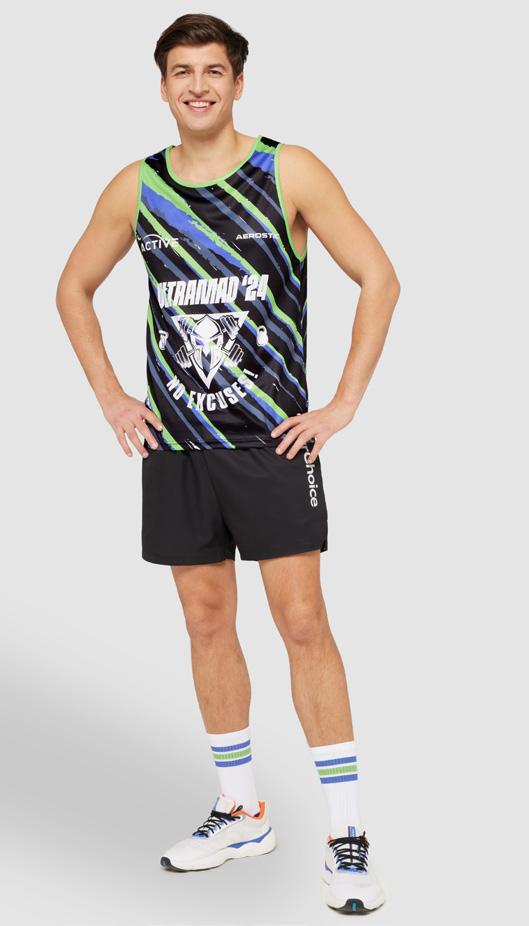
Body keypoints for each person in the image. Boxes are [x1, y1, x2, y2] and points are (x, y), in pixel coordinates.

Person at [56, 11, 400, 916]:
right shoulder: (138, 187)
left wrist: (342, 404)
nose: (198, 85)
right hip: (175, 449)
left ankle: (346, 832)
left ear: (238, 83)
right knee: (206, 621)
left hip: (270, 446)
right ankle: (241, 810)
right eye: (182, 71)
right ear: (162, 86)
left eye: (213, 70)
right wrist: (112, 396)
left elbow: (379, 276)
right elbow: (72, 287)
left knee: (301, 622)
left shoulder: (287, 170)